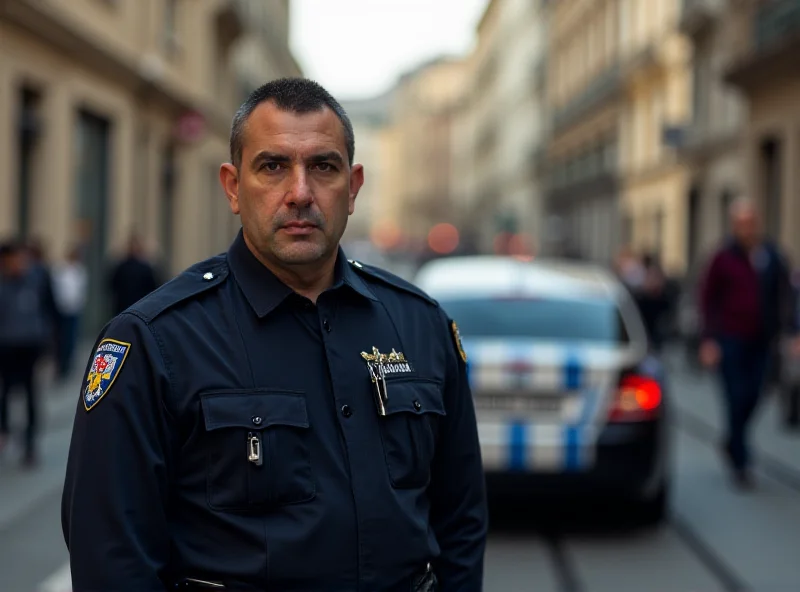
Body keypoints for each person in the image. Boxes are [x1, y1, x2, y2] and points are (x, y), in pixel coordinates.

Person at [62, 78, 488, 591]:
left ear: (352, 188)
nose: (300, 193)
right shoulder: (155, 343)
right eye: (273, 166)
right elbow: (112, 559)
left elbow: (461, 522)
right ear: (233, 187)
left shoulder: (421, 325)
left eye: (323, 167)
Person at [698, 197, 800, 488]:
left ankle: (732, 439)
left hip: (763, 338)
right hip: (729, 339)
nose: (747, 228)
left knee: (755, 393)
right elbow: (708, 299)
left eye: (750, 222)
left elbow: (787, 294)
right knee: (735, 396)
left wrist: (793, 331)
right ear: (734, 225)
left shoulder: (771, 254)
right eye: (741, 223)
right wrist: (708, 339)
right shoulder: (722, 258)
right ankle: (741, 462)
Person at [0, 239, 59, 466]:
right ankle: (4, 429)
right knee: (5, 391)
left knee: (30, 393)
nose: (17, 264)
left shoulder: (38, 278)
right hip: (5, 346)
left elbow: (51, 311)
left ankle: (30, 444)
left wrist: (51, 349)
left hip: (30, 345)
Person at [52, 246, 88, 379]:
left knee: (72, 337)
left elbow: (81, 290)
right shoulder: (60, 270)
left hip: (74, 310)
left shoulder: (79, 271)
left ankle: (69, 362)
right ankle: (61, 363)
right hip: (61, 310)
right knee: (61, 338)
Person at [108, 234, 159, 316]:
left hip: (124, 309)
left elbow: (111, 286)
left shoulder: (121, 267)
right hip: (139, 308)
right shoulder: (144, 268)